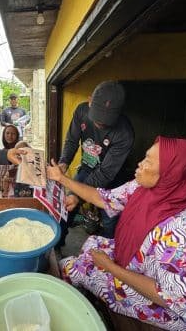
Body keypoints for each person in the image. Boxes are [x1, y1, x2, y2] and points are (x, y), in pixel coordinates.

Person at [47, 136, 186, 330]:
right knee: (92, 245)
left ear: (170, 174)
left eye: (148, 161)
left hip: (174, 310)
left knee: (75, 268)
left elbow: (173, 298)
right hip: (145, 265)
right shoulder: (145, 188)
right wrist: (61, 178)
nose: (139, 163)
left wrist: (111, 268)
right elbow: (104, 198)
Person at [57, 81, 134, 246]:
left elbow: (105, 174)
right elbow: (72, 140)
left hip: (113, 180)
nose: (101, 124)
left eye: (107, 121)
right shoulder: (81, 111)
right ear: (90, 100)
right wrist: (63, 163)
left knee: (109, 220)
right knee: (66, 207)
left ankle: (104, 257)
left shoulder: (125, 133)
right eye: (98, 118)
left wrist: (78, 194)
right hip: (87, 169)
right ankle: (56, 246)